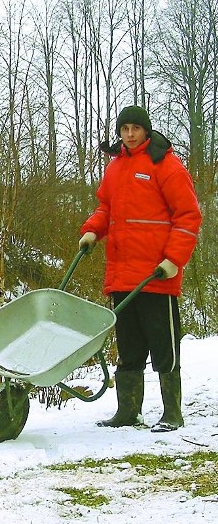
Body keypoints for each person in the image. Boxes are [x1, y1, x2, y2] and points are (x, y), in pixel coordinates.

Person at [78, 105, 202, 433]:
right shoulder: (115, 167)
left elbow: (189, 215)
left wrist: (173, 260)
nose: (130, 134)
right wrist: (92, 230)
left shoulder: (166, 165)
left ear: (146, 130)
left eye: (135, 128)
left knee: (164, 345)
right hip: (121, 274)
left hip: (156, 273)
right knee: (129, 346)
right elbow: (106, 207)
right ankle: (128, 411)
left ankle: (172, 412)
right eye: (125, 128)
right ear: (119, 132)